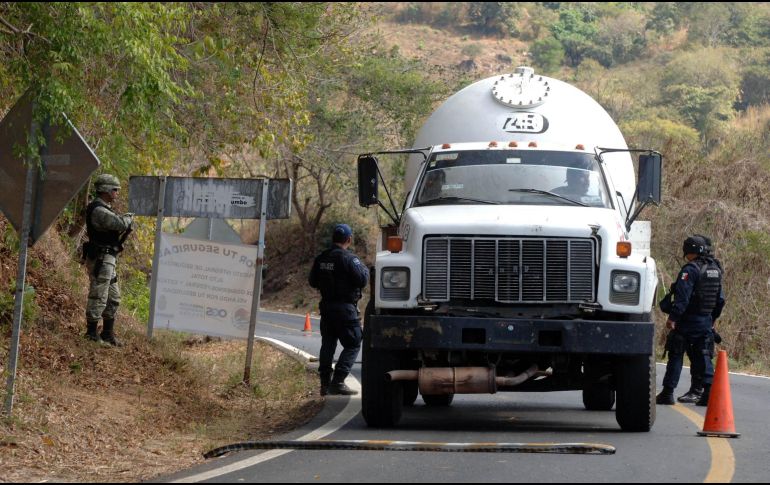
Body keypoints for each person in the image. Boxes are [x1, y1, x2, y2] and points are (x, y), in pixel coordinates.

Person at [657, 235, 725, 407]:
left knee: (676, 353)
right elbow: (720, 300)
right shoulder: (716, 269)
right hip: (705, 320)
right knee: (704, 356)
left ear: (690, 251)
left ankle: (668, 392)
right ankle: (708, 393)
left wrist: (673, 318)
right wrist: (712, 319)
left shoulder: (690, 270)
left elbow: (682, 299)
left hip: (687, 320)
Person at [309, 223, 369, 396]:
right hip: (345, 309)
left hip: (327, 308)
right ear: (349, 239)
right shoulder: (349, 259)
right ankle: (339, 380)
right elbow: (363, 280)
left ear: (333, 238)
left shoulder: (321, 258)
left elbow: (313, 281)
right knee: (354, 343)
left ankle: (324, 384)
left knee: (328, 343)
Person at [82, 174, 133, 346]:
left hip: (108, 259)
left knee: (113, 297)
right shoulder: (98, 210)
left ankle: (107, 333)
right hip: (101, 259)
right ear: (105, 190)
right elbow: (120, 224)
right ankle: (90, 333)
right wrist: (129, 216)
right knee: (99, 295)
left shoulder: (104, 208)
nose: (116, 193)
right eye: (114, 189)